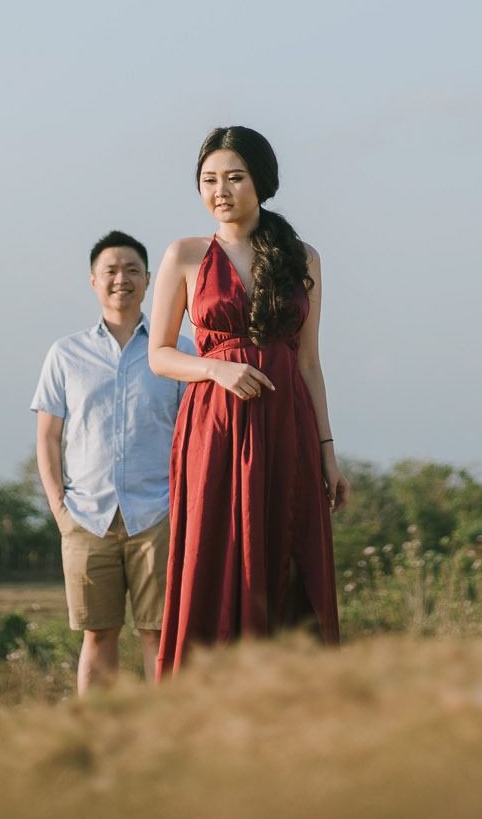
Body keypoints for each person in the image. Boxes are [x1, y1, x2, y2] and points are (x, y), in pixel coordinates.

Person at [149, 125, 346, 677]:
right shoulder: (184, 255)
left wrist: (328, 455)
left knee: (289, 550)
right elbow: (159, 355)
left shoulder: (303, 258)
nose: (221, 191)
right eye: (209, 180)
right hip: (213, 429)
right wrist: (216, 367)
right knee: (214, 550)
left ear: (262, 181)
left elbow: (309, 363)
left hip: (288, 427)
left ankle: (289, 695)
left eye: (234, 177)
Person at [31, 230, 190, 694]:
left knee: (159, 633)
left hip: (159, 513)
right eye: (111, 271)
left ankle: (166, 728)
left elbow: (194, 437)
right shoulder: (65, 354)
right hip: (86, 516)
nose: (122, 279)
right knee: (98, 634)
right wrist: (59, 509)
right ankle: (98, 730)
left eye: (132, 270)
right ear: (93, 280)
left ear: (149, 279)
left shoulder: (179, 351)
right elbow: (48, 437)